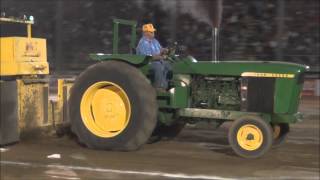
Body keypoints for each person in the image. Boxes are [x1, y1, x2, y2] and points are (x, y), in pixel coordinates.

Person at [136, 23, 171, 91]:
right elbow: (148, 58)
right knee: (158, 66)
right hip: (146, 63)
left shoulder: (154, 41)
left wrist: (165, 50)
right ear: (145, 33)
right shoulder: (143, 43)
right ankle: (158, 87)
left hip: (157, 60)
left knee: (167, 65)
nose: (153, 33)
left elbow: (160, 49)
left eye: (153, 32)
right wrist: (161, 57)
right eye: (151, 32)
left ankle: (166, 86)